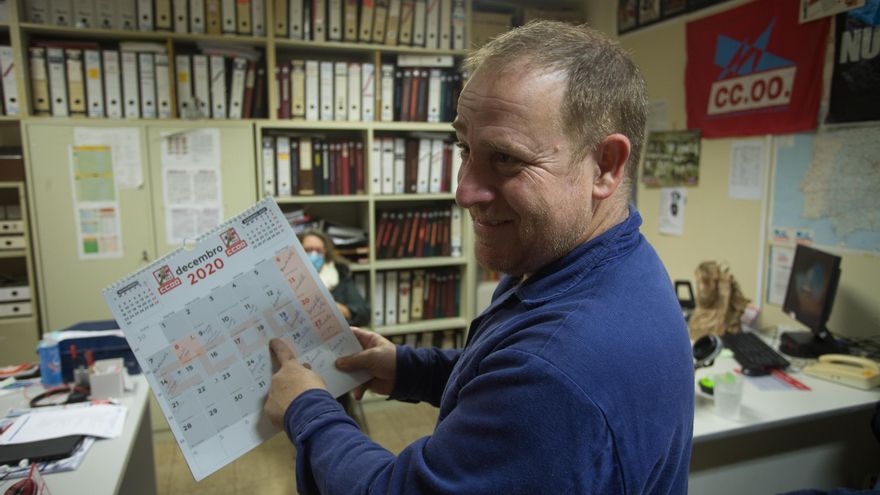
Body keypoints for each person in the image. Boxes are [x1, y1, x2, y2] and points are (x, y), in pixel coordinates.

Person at [264, 20, 694, 494]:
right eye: (464, 147)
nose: (463, 192)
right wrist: (409, 368)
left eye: (506, 158)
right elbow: (505, 379)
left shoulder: (557, 373)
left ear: (606, 166)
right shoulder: (592, 257)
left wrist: (308, 409)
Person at [299, 229, 369, 327]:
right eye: (308, 250)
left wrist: (341, 311)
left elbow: (364, 313)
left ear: (326, 252)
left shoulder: (339, 274)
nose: (314, 255)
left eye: (319, 251)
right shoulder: (288, 279)